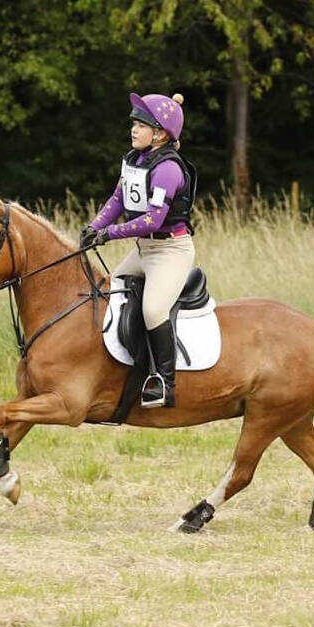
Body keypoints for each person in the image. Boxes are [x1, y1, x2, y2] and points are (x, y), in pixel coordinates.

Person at [81, 92, 197, 408]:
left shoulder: (168, 169)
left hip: (170, 252)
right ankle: (124, 369)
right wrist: (94, 226)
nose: (133, 129)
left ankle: (164, 383)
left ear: (159, 133)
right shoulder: (135, 160)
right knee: (109, 295)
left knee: (153, 310)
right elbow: (117, 200)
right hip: (143, 251)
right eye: (133, 122)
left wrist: (109, 233)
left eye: (140, 124)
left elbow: (152, 220)